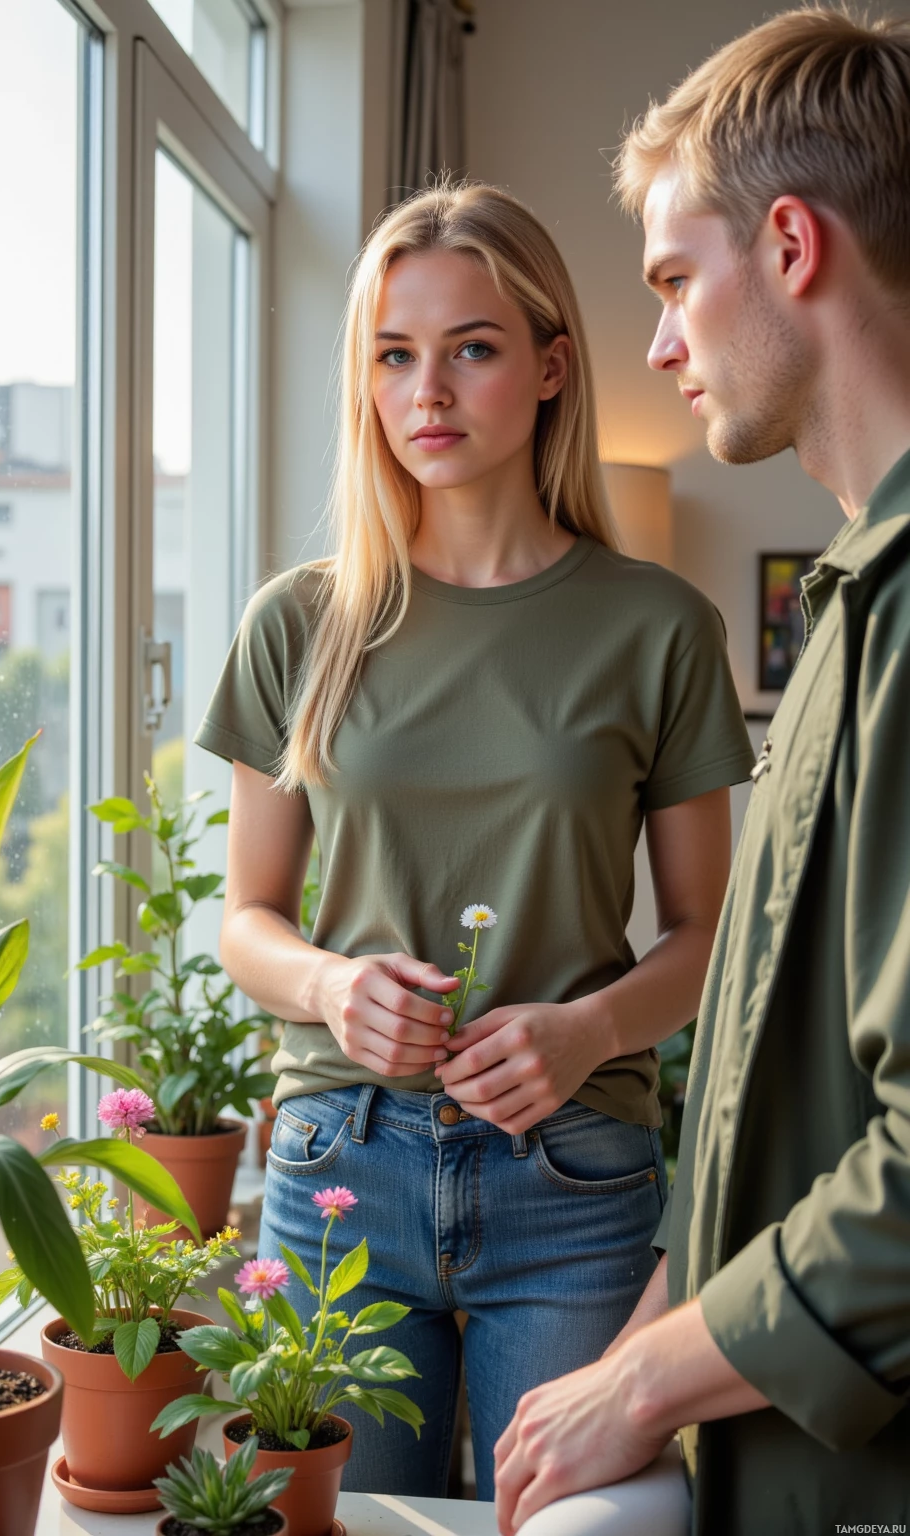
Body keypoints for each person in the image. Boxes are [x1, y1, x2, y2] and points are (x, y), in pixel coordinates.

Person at [195, 181, 753, 1500]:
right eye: (394, 355)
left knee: (571, 1522)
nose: (427, 391)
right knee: (330, 1523)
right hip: (341, 1172)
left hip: (572, 1171)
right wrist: (333, 985)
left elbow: (704, 935)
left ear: (554, 365)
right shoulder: (300, 625)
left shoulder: (658, 629)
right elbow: (245, 920)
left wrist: (589, 1030)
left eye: (474, 348)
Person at [493, 10, 910, 1535]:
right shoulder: (843, 612)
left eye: (676, 281)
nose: (658, 342)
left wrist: (653, 1380)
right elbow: (755, 1077)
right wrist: (651, 1332)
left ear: (792, 244)